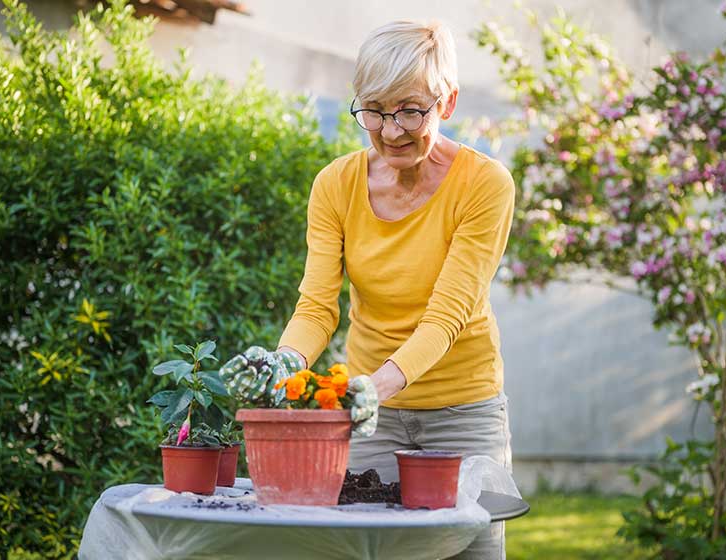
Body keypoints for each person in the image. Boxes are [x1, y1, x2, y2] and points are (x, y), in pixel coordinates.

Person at [221, 20, 515, 560]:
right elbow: (315, 306)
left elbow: (445, 318)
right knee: (366, 549)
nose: (392, 130)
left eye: (410, 110)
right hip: (372, 417)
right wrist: (285, 361)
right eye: (374, 110)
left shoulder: (485, 185)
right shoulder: (336, 184)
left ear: (446, 103)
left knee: (471, 551)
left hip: (464, 411)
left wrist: (369, 391)